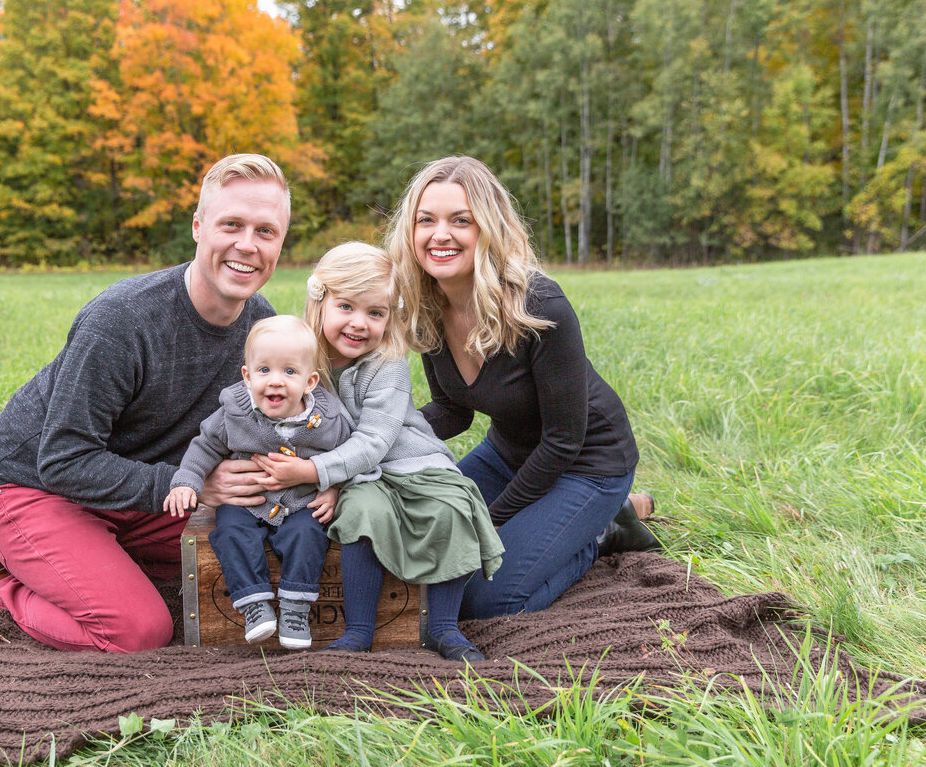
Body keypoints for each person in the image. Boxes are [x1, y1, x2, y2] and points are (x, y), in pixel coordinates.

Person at [0, 154, 339, 653]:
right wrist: (191, 484)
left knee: (253, 539)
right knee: (138, 631)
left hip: (135, 485)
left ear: (281, 244)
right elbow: (64, 460)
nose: (247, 245)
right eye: (231, 225)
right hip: (33, 485)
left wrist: (321, 475)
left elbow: (277, 423)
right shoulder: (122, 321)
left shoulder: (260, 326)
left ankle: (79, 561)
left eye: (266, 231)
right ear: (198, 227)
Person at [384, 155, 659, 621]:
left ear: (488, 227)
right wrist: (378, 433)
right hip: (508, 454)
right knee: (419, 549)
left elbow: (563, 441)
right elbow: (454, 410)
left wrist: (489, 518)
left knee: (485, 599)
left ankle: (603, 530)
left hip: (587, 463)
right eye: (425, 220)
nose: (440, 234)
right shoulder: (427, 303)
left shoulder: (539, 304)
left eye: (460, 220)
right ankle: (590, 517)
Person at [254, 242, 504, 661]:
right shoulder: (296, 355)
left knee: (450, 508)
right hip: (355, 474)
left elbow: (374, 442)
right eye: (347, 307)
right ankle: (358, 632)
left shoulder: (387, 363)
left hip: (409, 461)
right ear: (320, 301)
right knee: (363, 512)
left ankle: (444, 628)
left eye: (376, 313)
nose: (359, 324)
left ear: (391, 317)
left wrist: (314, 473)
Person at [163, 316, 351, 648]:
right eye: (264, 371)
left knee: (308, 533)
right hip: (247, 500)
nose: (275, 381)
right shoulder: (233, 412)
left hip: (299, 500)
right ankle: (254, 604)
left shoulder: (328, 420)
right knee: (231, 531)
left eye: (290, 372)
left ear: (310, 382)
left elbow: (348, 456)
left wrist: (334, 488)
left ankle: (295, 606)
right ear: (248, 377)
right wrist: (186, 481)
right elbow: (205, 445)